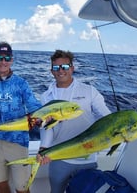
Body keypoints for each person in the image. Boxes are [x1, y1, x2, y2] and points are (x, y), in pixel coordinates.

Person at [38, 49, 111, 193]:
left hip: (87, 158)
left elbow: (106, 117)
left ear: (72, 68)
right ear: (51, 71)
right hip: (59, 158)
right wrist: (44, 147)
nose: (60, 71)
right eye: (56, 67)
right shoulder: (46, 96)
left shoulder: (89, 91)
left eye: (65, 66)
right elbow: (47, 127)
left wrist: (120, 131)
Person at [0, 41, 42, 193]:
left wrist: (43, 116)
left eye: (7, 58)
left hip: (18, 142)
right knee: (0, 184)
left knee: (22, 188)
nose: (3, 62)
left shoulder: (21, 83)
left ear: (12, 60)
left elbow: (33, 105)